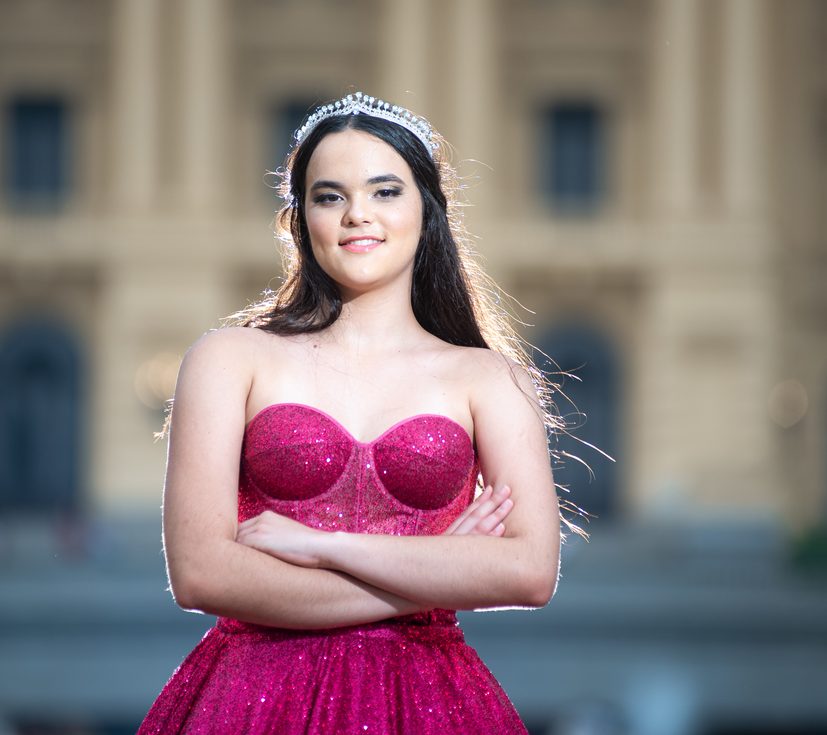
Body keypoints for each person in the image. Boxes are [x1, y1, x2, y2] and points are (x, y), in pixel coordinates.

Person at [138, 93, 562, 735]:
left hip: (430, 705)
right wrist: (437, 567)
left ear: (429, 209)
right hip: (252, 700)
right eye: (329, 196)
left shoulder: (492, 378)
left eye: (385, 191)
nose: (357, 214)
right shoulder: (228, 359)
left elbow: (530, 572)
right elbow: (200, 574)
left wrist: (320, 545)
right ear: (299, 218)